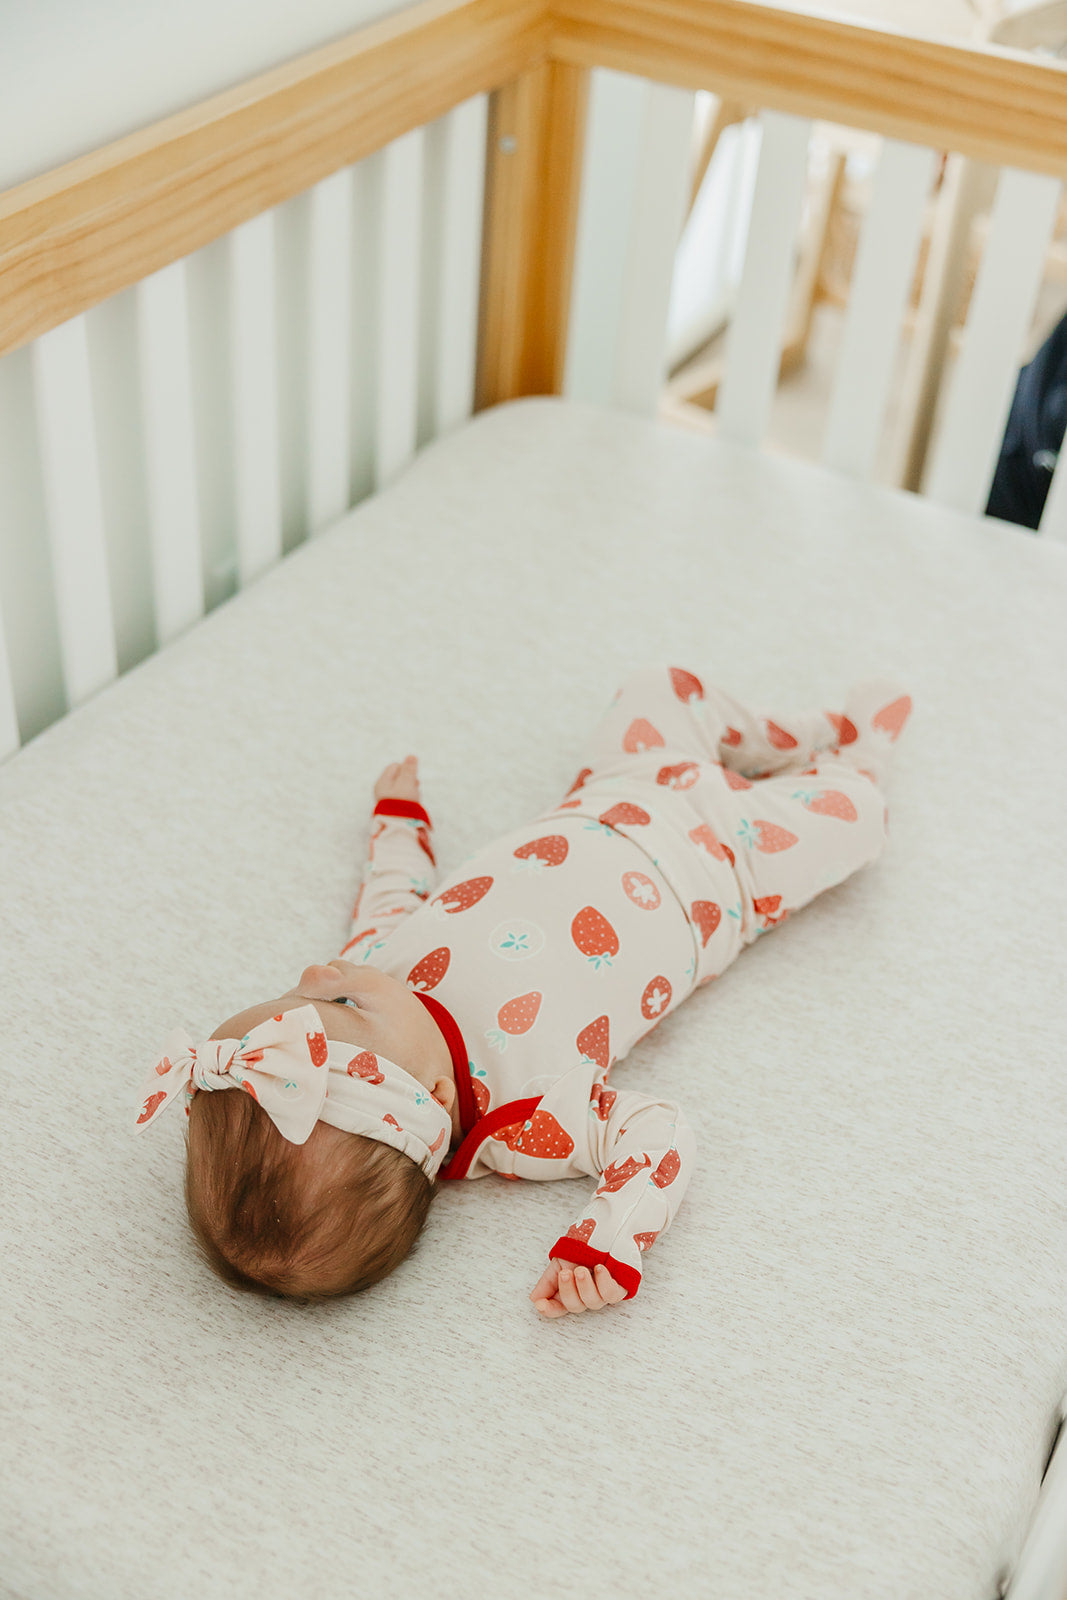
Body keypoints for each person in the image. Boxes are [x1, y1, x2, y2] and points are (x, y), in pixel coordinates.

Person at [135, 665, 912, 1319]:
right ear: (435, 1098)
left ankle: (808, 732)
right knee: (859, 819)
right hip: (733, 870)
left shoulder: (369, 975)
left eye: (292, 990)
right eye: (336, 1006)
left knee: (658, 686)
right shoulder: (522, 1122)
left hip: (616, 788)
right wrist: (607, 1238)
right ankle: (858, 758)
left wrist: (398, 824)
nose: (319, 975)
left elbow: (390, 895)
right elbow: (659, 1133)